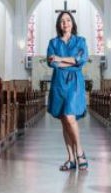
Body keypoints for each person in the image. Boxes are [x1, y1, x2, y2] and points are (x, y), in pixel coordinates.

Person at [47, 10, 89, 171]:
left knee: (70, 117)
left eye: (68, 20)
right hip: (58, 83)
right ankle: (71, 159)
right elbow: (51, 62)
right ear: (59, 24)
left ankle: (80, 152)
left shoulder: (80, 41)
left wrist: (60, 59)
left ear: (72, 23)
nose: (65, 23)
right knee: (64, 121)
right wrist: (68, 62)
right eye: (62, 21)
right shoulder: (53, 42)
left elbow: (81, 60)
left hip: (74, 83)